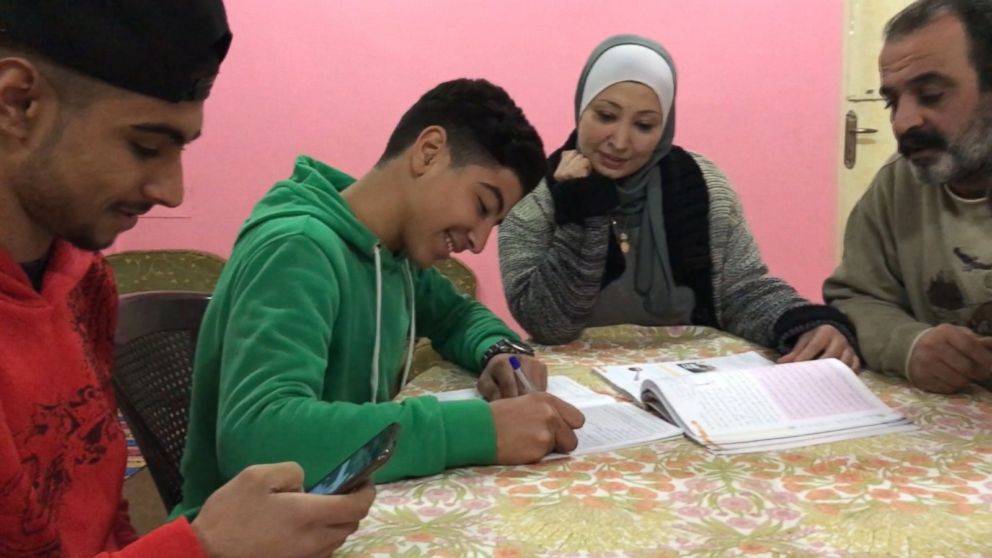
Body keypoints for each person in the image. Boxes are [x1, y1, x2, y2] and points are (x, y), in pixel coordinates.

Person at [0, 2, 375, 556]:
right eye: (145, 147)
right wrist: (203, 546)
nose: (171, 191)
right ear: (18, 102)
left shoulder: (87, 283)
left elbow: (104, 521)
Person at [172, 78, 586, 518]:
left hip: (336, 511)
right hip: (241, 534)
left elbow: (456, 316)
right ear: (429, 152)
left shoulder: (393, 256)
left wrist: (500, 352)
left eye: (495, 223)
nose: (480, 241)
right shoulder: (298, 247)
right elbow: (258, 437)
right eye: (483, 205)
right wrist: (481, 430)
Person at [499, 35, 860, 369]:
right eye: (606, 116)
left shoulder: (702, 185)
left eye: (644, 125)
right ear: (581, 109)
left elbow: (741, 291)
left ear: (665, 127)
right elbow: (550, 325)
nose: (621, 141)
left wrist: (804, 324)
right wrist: (581, 209)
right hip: (582, 390)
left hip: (695, 385)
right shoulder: (533, 196)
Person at [825, 0, 992, 394]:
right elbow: (854, 299)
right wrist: (910, 345)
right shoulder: (897, 186)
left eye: (931, 94)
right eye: (892, 101)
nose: (902, 122)